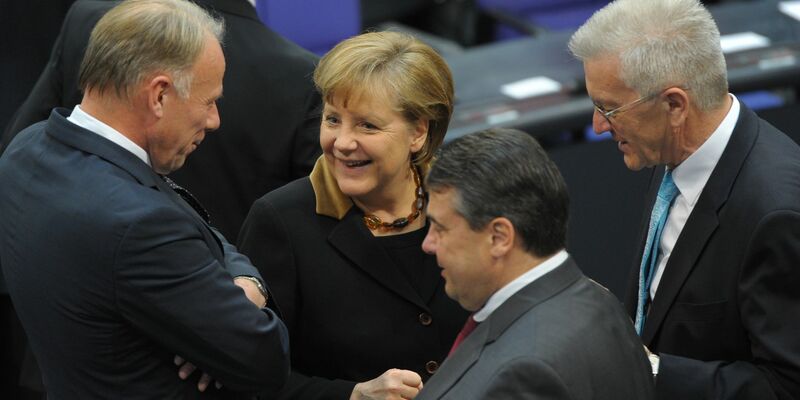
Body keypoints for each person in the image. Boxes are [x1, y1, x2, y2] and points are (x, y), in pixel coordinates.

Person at [0, 0, 291, 398]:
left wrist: (242, 282)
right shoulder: (141, 225)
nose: (214, 120)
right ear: (158, 96)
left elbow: (194, 224)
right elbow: (266, 356)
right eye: (209, 101)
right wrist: (242, 298)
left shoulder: (26, 151)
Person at [569, 0, 800, 398]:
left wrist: (651, 370)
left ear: (674, 105)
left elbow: (786, 387)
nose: (598, 125)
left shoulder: (776, 213)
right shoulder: (670, 151)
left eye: (609, 108)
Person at [237, 31, 469, 399]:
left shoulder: (467, 203)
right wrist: (353, 395)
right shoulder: (281, 221)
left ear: (418, 132)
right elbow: (247, 376)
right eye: (332, 120)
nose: (342, 142)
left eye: (367, 125)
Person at [1, 0, 321, 243]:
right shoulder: (304, 76)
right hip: (220, 304)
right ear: (158, 94)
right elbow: (309, 227)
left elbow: (23, 157)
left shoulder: (91, 20)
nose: (213, 121)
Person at [414, 128, 655, 400]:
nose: (428, 243)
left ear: (499, 237)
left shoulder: (524, 374)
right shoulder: (599, 301)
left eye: (440, 228)